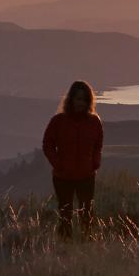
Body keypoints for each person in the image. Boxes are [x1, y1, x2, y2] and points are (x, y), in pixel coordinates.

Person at [42, 80, 104, 240]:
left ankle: (88, 241)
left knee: (87, 212)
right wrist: (58, 164)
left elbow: (98, 145)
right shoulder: (58, 121)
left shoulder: (94, 122)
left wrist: (95, 163)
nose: (80, 103)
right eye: (78, 99)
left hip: (86, 176)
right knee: (65, 212)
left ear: (89, 101)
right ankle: (65, 244)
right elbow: (47, 144)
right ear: (71, 99)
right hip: (63, 177)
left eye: (84, 99)